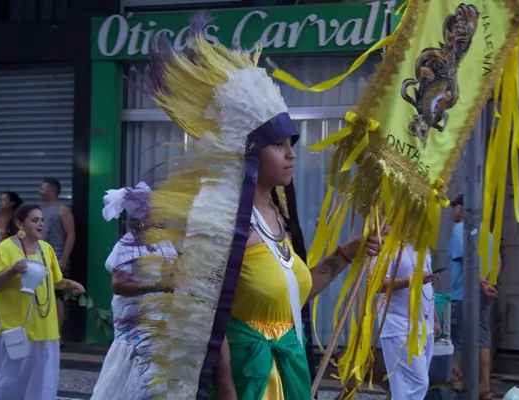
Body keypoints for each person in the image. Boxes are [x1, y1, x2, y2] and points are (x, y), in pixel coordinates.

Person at [122, 12, 391, 400]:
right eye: (277, 145)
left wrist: (347, 252)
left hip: (289, 369)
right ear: (247, 151)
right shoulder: (223, 223)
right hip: (249, 380)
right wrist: (226, 386)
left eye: (291, 145)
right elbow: (203, 314)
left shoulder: (277, 217)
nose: (290, 155)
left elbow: (296, 294)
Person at [0, 204, 85, 400]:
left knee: (40, 384)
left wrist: (70, 283)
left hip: (43, 329)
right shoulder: (4, 249)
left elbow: (54, 281)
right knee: (8, 383)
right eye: (35, 220)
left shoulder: (46, 249)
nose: (41, 224)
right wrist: (12, 270)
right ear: (20, 224)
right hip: (13, 328)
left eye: (42, 220)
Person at [91, 182, 178, 400]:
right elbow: (119, 286)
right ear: (143, 216)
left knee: (157, 378)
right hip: (136, 323)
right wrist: (156, 286)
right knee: (138, 375)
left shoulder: (163, 242)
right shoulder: (127, 245)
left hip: (161, 320)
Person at [448, 194, 503, 400]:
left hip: (464, 295)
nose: (451, 212)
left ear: (461, 209)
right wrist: (489, 283)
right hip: (485, 294)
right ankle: (485, 387)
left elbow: (466, 261)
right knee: (483, 339)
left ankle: (459, 382)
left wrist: (481, 283)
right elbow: (498, 261)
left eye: (453, 207)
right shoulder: (487, 233)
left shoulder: (459, 230)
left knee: (458, 339)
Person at [377, 243, 441, 399]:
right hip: (399, 326)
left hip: (424, 327)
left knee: (411, 387)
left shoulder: (423, 247)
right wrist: (412, 280)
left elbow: (427, 287)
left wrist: (434, 319)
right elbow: (378, 284)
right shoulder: (390, 245)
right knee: (417, 384)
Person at [39, 178, 75, 345]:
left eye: (42, 188)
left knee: (56, 294)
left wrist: (63, 259)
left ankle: (58, 335)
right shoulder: (40, 211)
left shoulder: (62, 209)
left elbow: (71, 235)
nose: (40, 191)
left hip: (56, 257)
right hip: (39, 258)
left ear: (52, 190)